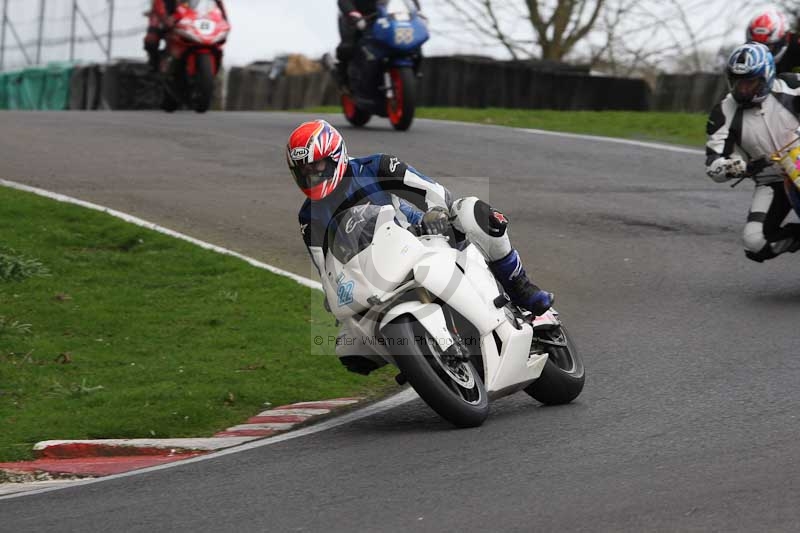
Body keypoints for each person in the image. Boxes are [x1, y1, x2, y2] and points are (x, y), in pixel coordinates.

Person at [288, 120, 553, 370]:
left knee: (475, 211)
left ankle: (519, 286)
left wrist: (435, 212)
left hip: (421, 236)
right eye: (304, 172)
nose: (312, 176)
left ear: (336, 156)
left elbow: (430, 189)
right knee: (349, 349)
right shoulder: (308, 216)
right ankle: (419, 358)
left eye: (317, 167)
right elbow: (324, 267)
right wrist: (334, 298)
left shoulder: (376, 166)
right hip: (374, 274)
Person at [705, 42, 800, 263]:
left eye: (750, 82)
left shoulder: (791, 85)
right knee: (754, 243)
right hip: (771, 180)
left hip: (798, 160)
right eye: (738, 83)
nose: (743, 89)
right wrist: (738, 167)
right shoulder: (723, 111)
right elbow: (713, 164)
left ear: (766, 76)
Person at [335, 0, 423, 88]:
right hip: (360, 19)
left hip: (388, 19)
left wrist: (416, 11)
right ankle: (344, 81)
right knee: (348, 47)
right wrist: (353, 13)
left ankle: (414, 72)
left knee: (412, 42)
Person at [143, 0, 228, 71]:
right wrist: (165, 18)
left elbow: (215, 4)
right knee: (152, 38)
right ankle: (154, 65)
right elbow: (159, 4)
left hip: (187, 16)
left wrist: (223, 18)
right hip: (165, 14)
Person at [745, 8, 800, 76]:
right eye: (757, 47)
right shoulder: (745, 56)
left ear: (784, 39)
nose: (763, 53)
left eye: (769, 47)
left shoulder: (797, 48)